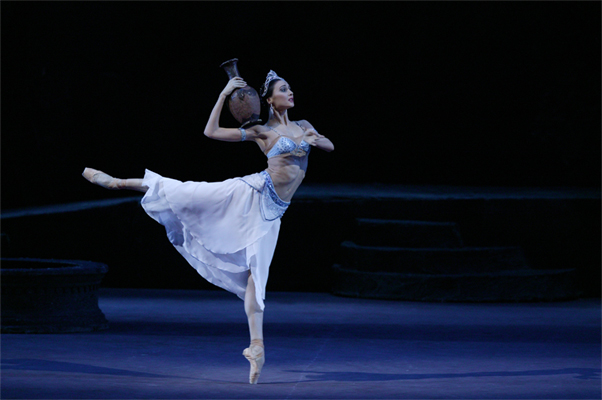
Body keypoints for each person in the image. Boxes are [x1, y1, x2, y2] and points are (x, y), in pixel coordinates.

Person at [82, 69, 334, 384]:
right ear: (269, 100)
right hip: (252, 193)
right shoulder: (262, 131)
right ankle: (119, 182)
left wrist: (316, 139)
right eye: (284, 89)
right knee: (190, 191)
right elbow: (211, 132)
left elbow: (329, 147)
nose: (291, 92)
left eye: (290, 88)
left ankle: (256, 347)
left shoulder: (304, 125)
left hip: (274, 212)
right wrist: (223, 94)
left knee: (257, 276)